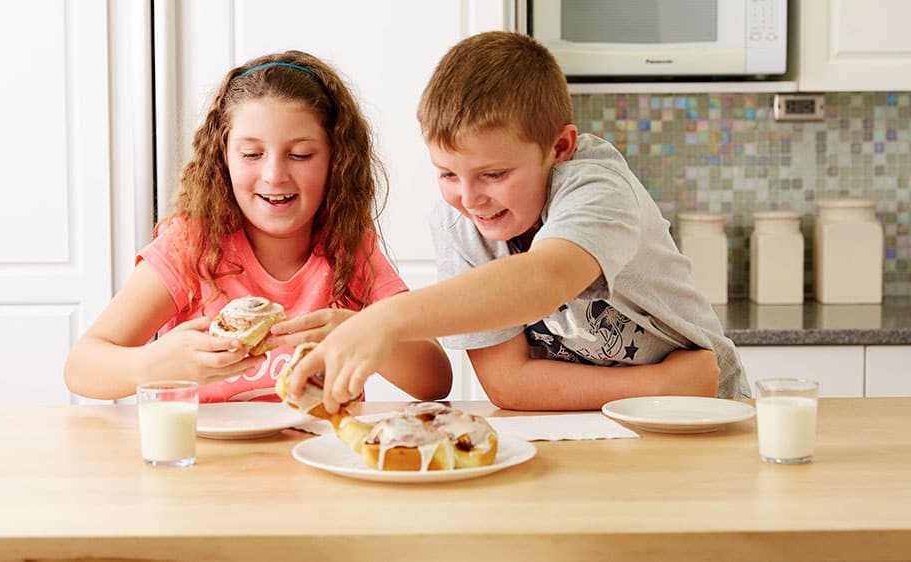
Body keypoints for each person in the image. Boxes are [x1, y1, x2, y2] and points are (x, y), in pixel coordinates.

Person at [288, 31, 748, 413]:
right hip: (596, 420)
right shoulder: (459, 222)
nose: (470, 199)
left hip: (707, 413)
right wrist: (661, 385)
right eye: (447, 173)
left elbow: (544, 279)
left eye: (494, 174)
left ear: (560, 148)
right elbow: (509, 385)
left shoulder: (597, 187)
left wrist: (384, 320)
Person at [64, 51, 452, 403]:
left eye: (300, 154)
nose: (274, 175)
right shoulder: (190, 246)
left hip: (315, 467)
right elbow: (81, 367)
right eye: (251, 154)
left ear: (337, 159)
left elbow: (435, 379)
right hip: (203, 471)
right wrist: (153, 364)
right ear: (224, 158)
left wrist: (363, 332)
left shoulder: (347, 249)